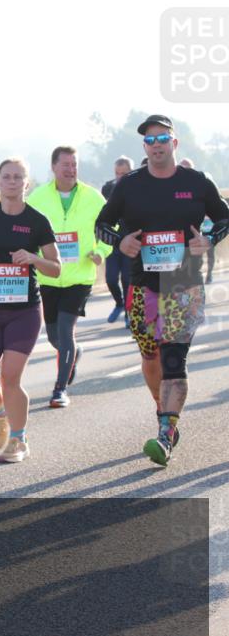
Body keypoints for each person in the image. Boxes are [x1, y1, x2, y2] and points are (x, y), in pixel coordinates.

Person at [95, 115, 229, 466]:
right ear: (144, 147)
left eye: (162, 138)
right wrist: (119, 241)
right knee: (150, 357)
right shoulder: (130, 185)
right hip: (140, 285)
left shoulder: (197, 182)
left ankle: (166, 434)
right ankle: (162, 410)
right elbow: (102, 224)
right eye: (150, 141)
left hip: (183, 283)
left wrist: (208, 239)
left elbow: (225, 217)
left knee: (174, 361)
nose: (156, 145)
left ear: (175, 143)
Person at [0, 159, 61, 463]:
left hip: (24, 311)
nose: (13, 181)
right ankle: (2, 413)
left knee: (10, 378)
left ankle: (18, 440)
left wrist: (33, 258)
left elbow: (56, 268)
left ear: (26, 183)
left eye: (18, 177)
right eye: (7, 177)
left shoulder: (38, 220)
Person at [27, 146, 109, 408]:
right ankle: (74, 352)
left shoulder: (93, 197)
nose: (71, 169)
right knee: (54, 336)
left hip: (80, 276)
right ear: (53, 167)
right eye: (65, 164)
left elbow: (112, 228)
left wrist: (101, 251)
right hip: (48, 276)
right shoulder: (37, 197)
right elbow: (26, 230)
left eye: (74, 164)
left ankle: (60, 389)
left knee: (65, 330)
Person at [101, 156, 134, 325]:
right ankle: (119, 303)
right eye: (117, 173)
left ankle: (129, 313)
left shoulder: (137, 187)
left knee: (128, 280)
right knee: (111, 279)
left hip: (130, 240)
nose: (120, 176)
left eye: (124, 173)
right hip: (112, 241)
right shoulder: (107, 188)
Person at [179, 158, 217, 284]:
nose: (185, 171)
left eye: (188, 168)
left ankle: (209, 274)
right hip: (186, 233)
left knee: (210, 253)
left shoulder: (201, 185)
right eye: (182, 168)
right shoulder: (174, 186)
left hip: (207, 228)